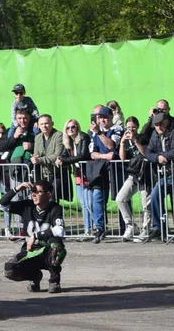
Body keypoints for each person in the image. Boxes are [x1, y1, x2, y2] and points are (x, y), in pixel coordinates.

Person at [0, 179, 66, 293]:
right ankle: (34, 277)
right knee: (9, 269)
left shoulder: (55, 208)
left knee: (56, 246)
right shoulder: (26, 205)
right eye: (32, 191)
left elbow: (60, 230)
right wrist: (17, 189)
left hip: (46, 251)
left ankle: (54, 281)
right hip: (30, 250)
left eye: (37, 192)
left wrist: (36, 235)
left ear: (48, 194)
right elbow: (0, 205)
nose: (33, 194)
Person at [143, 111, 174, 240]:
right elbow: (148, 152)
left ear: (166, 122)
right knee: (155, 195)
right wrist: (157, 157)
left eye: (160, 124)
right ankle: (158, 228)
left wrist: (162, 156)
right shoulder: (154, 136)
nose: (158, 127)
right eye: (155, 125)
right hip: (165, 175)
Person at [85, 104, 120, 243]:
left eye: (105, 117)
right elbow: (92, 153)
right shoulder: (93, 132)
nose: (102, 120)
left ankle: (125, 227)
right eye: (100, 117)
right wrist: (105, 156)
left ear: (111, 117)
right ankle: (100, 228)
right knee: (97, 198)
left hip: (116, 169)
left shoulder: (116, 129)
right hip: (100, 170)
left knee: (120, 198)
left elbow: (112, 145)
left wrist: (100, 133)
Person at [115, 116, 147, 240]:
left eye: (133, 127)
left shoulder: (142, 137)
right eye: (128, 127)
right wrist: (122, 142)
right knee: (120, 199)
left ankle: (145, 230)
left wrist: (135, 140)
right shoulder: (126, 140)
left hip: (145, 174)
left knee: (145, 205)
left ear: (137, 127)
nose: (131, 129)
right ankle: (131, 225)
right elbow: (122, 158)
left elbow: (145, 153)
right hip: (133, 174)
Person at [58, 119, 91, 235]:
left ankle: (94, 227)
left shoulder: (83, 138)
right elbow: (64, 155)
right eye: (68, 128)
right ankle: (88, 228)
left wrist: (64, 160)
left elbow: (82, 155)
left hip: (88, 172)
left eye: (73, 127)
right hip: (77, 173)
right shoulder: (68, 142)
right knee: (83, 203)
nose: (70, 130)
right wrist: (60, 159)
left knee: (89, 203)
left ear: (77, 127)